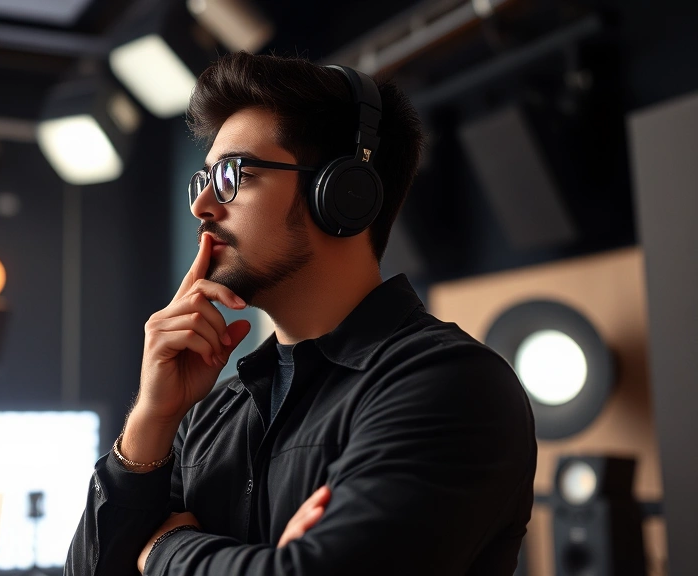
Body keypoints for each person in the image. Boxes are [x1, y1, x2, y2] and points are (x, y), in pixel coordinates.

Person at [65, 52, 536, 576]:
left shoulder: (450, 385)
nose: (201, 207)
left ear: (342, 193)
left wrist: (164, 549)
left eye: (233, 175)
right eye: (203, 181)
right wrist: (151, 421)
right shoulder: (206, 414)